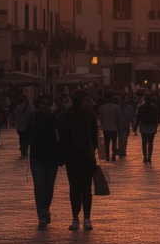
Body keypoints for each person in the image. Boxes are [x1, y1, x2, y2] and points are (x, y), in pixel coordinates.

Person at [60, 93, 99, 230]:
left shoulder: (91, 117)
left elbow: (94, 138)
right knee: (74, 188)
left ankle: (87, 218)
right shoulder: (69, 116)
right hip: (72, 157)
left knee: (87, 189)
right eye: (86, 100)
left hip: (87, 156)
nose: (89, 102)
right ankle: (75, 217)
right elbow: (64, 136)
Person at [29, 96, 61, 227]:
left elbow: (61, 135)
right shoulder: (34, 119)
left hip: (52, 158)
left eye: (48, 104)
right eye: (44, 104)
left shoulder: (55, 120)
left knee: (49, 187)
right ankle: (41, 214)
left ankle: (45, 209)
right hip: (36, 158)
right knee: (39, 187)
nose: (46, 106)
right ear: (39, 106)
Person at [137, 97, 160, 163]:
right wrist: (156, 125)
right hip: (151, 126)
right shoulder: (154, 107)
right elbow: (157, 117)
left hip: (144, 126)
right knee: (150, 143)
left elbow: (138, 118)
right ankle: (149, 157)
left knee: (144, 143)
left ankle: (145, 157)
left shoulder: (141, 108)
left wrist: (135, 126)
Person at [98, 96, 121, 162]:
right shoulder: (116, 107)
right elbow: (118, 117)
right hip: (114, 128)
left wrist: (102, 124)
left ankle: (107, 156)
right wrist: (119, 126)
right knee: (114, 143)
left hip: (106, 127)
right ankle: (113, 155)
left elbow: (101, 117)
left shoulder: (102, 108)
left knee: (106, 143)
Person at [12, 93, 34, 159]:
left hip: (18, 125)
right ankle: (24, 148)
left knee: (22, 137)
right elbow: (31, 114)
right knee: (26, 137)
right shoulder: (29, 106)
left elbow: (15, 115)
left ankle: (22, 148)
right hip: (26, 125)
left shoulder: (17, 107)